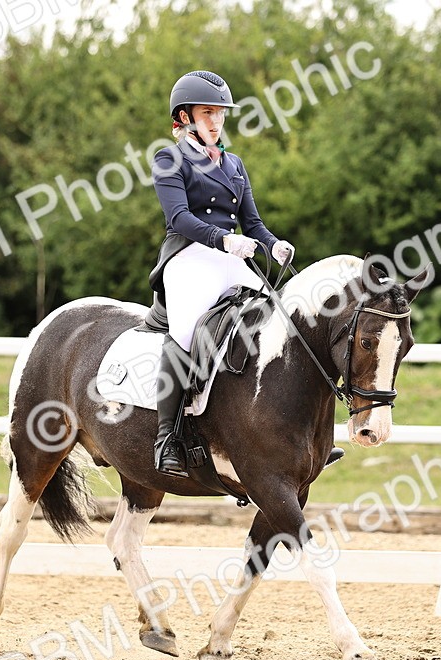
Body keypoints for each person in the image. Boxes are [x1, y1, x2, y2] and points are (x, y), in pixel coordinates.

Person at [149, 70, 295, 478]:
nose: (216, 121)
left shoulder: (234, 163)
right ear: (185, 117)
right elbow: (178, 218)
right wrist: (223, 240)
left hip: (231, 258)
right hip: (188, 259)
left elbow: (253, 223)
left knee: (280, 321)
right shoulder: (169, 158)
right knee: (185, 331)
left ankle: (292, 429)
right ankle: (167, 438)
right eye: (207, 112)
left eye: (221, 114)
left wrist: (273, 245)